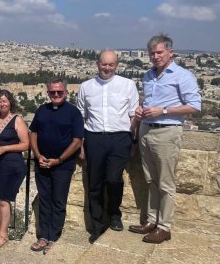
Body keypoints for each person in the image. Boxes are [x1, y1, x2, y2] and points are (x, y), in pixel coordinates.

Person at [128, 34, 201, 244]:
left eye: (159, 52)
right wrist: (141, 110)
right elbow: (149, 102)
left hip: (167, 131)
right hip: (146, 130)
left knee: (166, 182)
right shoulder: (148, 76)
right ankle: (151, 221)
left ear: (171, 52)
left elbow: (195, 105)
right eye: (152, 53)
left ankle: (164, 227)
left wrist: (164, 110)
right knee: (151, 179)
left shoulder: (182, 75)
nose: (155, 56)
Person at [76, 50, 139, 243]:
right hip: (94, 137)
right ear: (97, 64)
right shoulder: (86, 87)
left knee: (113, 179)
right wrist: (80, 144)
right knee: (94, 182)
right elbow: (81, 117)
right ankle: (97, 224)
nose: (107, 68)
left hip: (120, 138)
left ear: (117, 66)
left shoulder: (127, 85)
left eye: (111, 65)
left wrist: (134, 141)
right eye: (104, 64)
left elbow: (133, 116)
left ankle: (114, 213)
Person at [29, 79, 83, 254]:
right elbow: (33, 133)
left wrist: (59, 160)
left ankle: (53, 237)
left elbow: (77, 141)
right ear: (48, 93)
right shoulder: (41, 110)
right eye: (53, 92)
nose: (56, 95)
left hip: (63, 165)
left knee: (58, 201)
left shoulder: (74, 113)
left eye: (60, 92)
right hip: (42, 163)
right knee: (44, 199)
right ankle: (43, 236)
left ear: (66, 93)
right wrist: (38, 156)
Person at [0, 89, 29, 249]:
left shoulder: (17, 120)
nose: (2, 103)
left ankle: (3, 235)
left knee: (3, 200)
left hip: (11, 164)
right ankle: (0, 231)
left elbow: (25, 144)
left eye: (5, 101)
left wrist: (5, 148)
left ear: (10, 103)